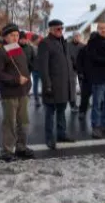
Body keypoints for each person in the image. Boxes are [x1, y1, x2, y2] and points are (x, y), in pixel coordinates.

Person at [0, 23, 35, 162]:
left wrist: (28, 83)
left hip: (23, 93)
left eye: (16, 35)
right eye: (12, 35)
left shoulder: (17, 49)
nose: (15, 37)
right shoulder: (1, 52)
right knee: (10, 123)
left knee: (24, 122)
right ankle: (7, 151)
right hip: (9, 94)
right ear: (5, 37)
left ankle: (21, 147)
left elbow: (22, 68)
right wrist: (16, 79)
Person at [37, 18, 77, 149]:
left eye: (62, 28)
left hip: (64, 85)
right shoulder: (45, 43)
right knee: (50, 113)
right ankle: (49, 138)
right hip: (53, 86)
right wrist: (47, 85)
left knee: (61, 112)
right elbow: (43, 67)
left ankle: (62, 134)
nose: (60, 31)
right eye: (58, 29)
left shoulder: (64, 43)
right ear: (51, 30)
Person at [69, 32, 90, 117]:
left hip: (81, 69)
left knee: (83, 87)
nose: (77, 38)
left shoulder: (83, 46)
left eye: (78, 36)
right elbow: (67, 57)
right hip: (71, 68)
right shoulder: (68, 46)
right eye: (75, 36)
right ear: (73, 37)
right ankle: (73, 104)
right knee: (72, 86)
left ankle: (85, 102)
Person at [22, 33, 41, 107]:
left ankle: (38, 99)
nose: (39, 40)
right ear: (35, 40)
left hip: (39, 68)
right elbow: (31, 58)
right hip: (35, 69)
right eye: (38, 39)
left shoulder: (37, 46)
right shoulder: (31, 47)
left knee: (39, 84)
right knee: (36, 84)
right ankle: (36, 99)